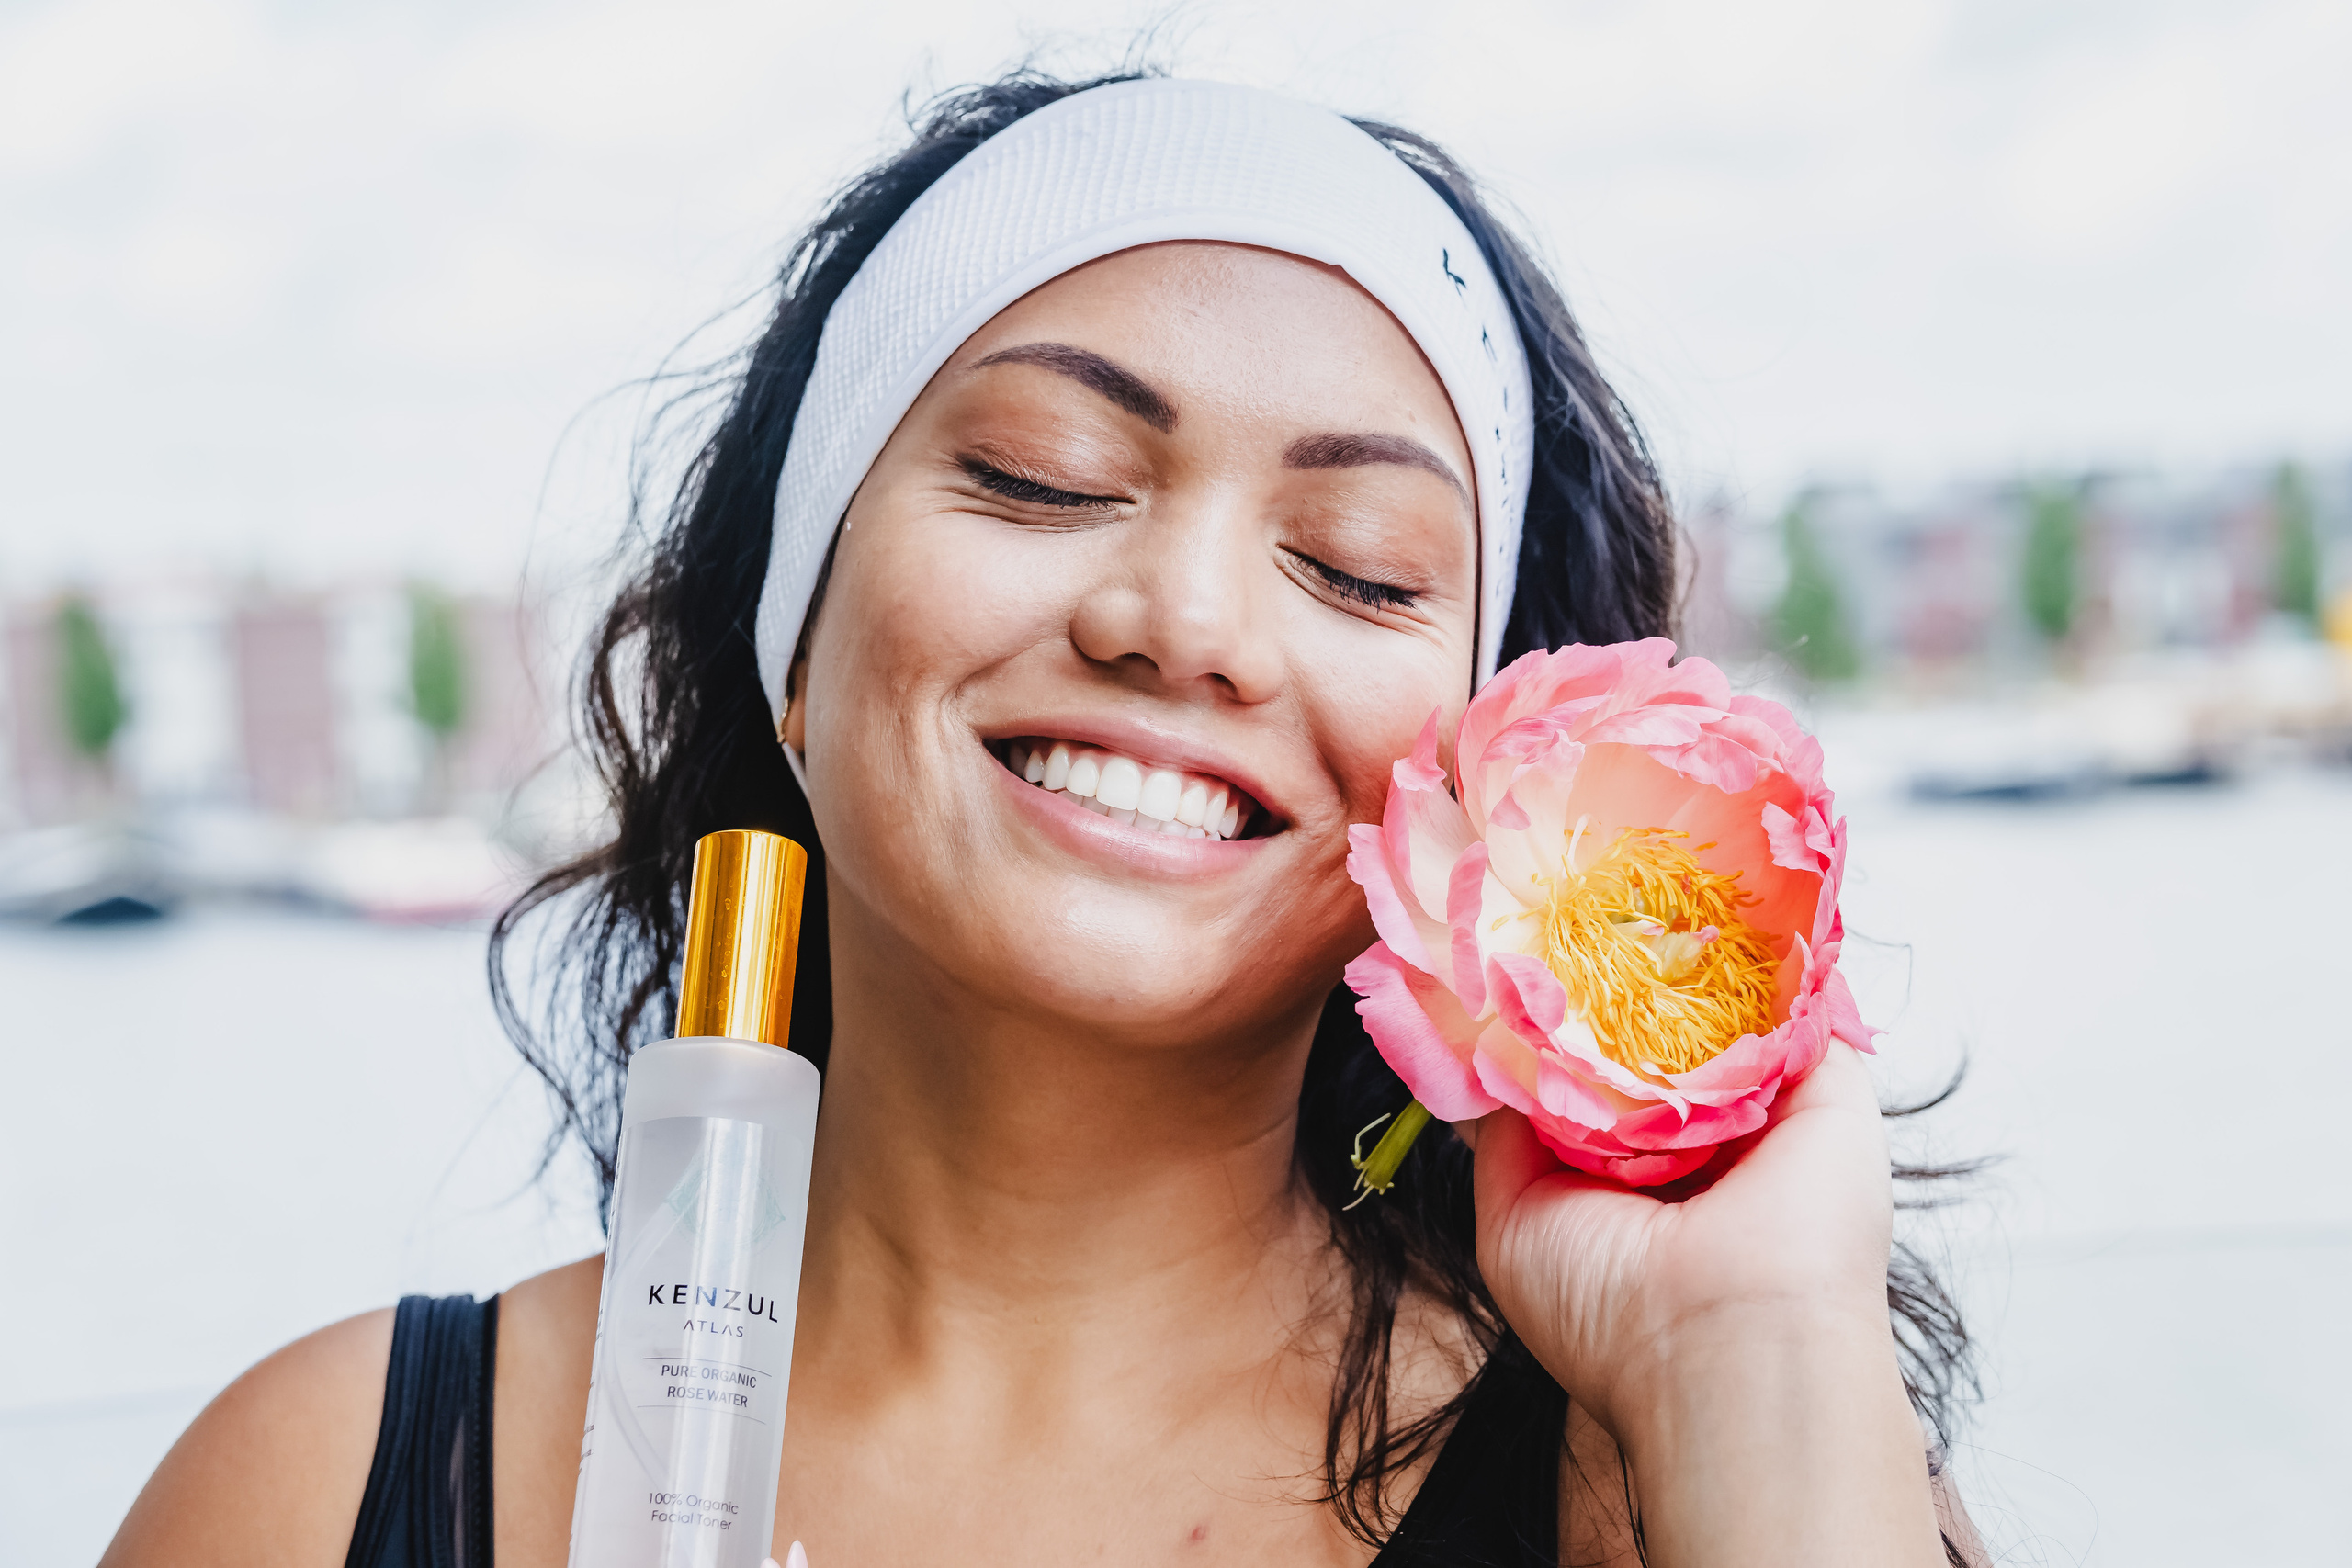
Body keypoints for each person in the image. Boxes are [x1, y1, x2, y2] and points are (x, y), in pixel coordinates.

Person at [105, 70, 1984, 1568]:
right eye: (1039, 473)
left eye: (1354, 567)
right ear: (794, 637)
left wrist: (1746, 1359)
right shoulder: (317, 1489)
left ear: (1471, 773)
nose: (1179, 620)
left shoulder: (1672, 1485)